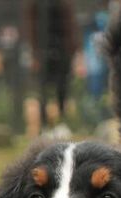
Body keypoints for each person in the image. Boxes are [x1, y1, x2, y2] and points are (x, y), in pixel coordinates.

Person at [25, 0, 81, 134]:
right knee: (43, 89)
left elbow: (71, 25)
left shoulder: (64, 3)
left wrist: (75, 51)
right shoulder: (35, 4)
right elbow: (31, 27)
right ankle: (44, 126)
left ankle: (61, 122)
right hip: (43, 50)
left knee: (62, 88)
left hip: (63, 49)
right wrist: (34, 53)